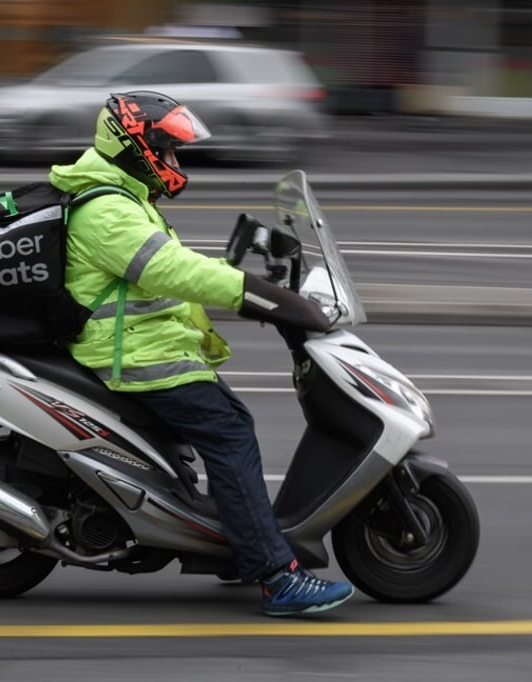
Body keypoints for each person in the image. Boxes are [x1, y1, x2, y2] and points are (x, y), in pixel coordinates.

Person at [48, 90, 354, 616]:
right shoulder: (107, 210)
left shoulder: (121, 194)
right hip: (136, 358)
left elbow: (168, 264)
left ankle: (242, 541)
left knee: (229, 426)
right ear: (136, 146)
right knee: (230, 430)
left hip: (148, 348)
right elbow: (172, 271)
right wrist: (260, 294)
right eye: (167, 151)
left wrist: (249, 272)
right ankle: (276, 575)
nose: (174, 163)